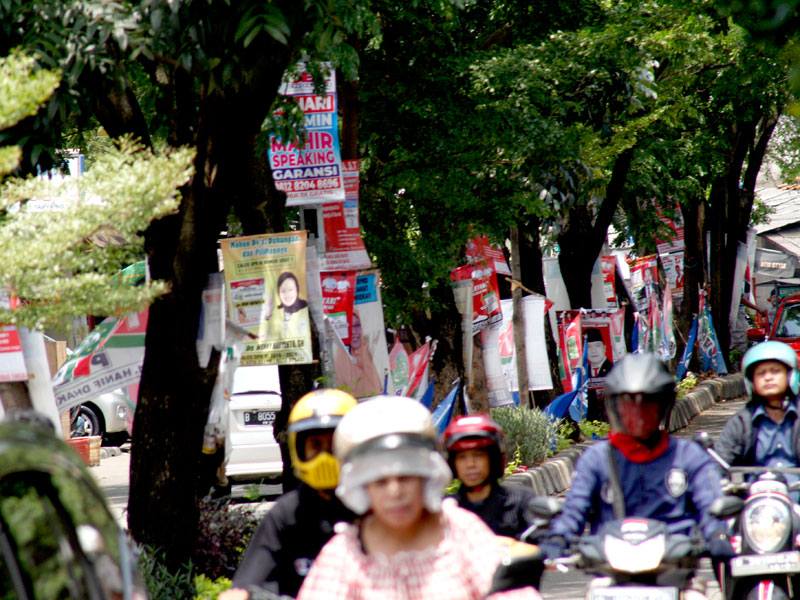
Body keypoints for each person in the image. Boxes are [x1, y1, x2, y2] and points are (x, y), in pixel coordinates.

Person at [297, 395, 541, 600]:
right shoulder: (345, 553)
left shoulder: (458, 531)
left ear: (426, 477)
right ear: (361, 487)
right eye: (380, 481)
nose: (395, 491)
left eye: (406, 477)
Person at [539, 353, 733, 587]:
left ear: (663, 407)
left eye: (647, 404)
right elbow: (574, 510)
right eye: (628, 405)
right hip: (611, 576)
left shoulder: (689, 456)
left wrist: (717, 535)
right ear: (614, 408)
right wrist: (558, 538)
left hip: (676, 574)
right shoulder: (596, 458)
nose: (637, 414)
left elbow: (709, 505)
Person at [219, 389, 358, 600]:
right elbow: (242, 589)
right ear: (299, 450)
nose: (325, 458)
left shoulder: (374, 508)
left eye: (335, 446)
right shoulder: (286, 514)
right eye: (316, 446)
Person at [713, 340, 800, 494]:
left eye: (775, 371)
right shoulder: (742, 422)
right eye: (761, 373)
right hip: (754, 506)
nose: (768, 378)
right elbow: (718, 464)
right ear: (751, 381)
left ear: (790, 375)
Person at [442, 414, 538, 539]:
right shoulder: (445, 509)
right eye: (462, 458)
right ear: (452, 463)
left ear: (493, 459)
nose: (470, 464)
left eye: (478, 455)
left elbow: (546, 545)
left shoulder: (520, 501)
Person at [333, 310, 383, 398]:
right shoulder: (340, 362)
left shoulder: (373, 354)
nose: (353, 332)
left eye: (357, 326)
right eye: (348, 328)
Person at [584, 328, 612, 422]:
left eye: (597, 346)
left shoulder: (613, 369)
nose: (593, 351)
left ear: (604, 348)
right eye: (588, 347)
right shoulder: (584, 373)